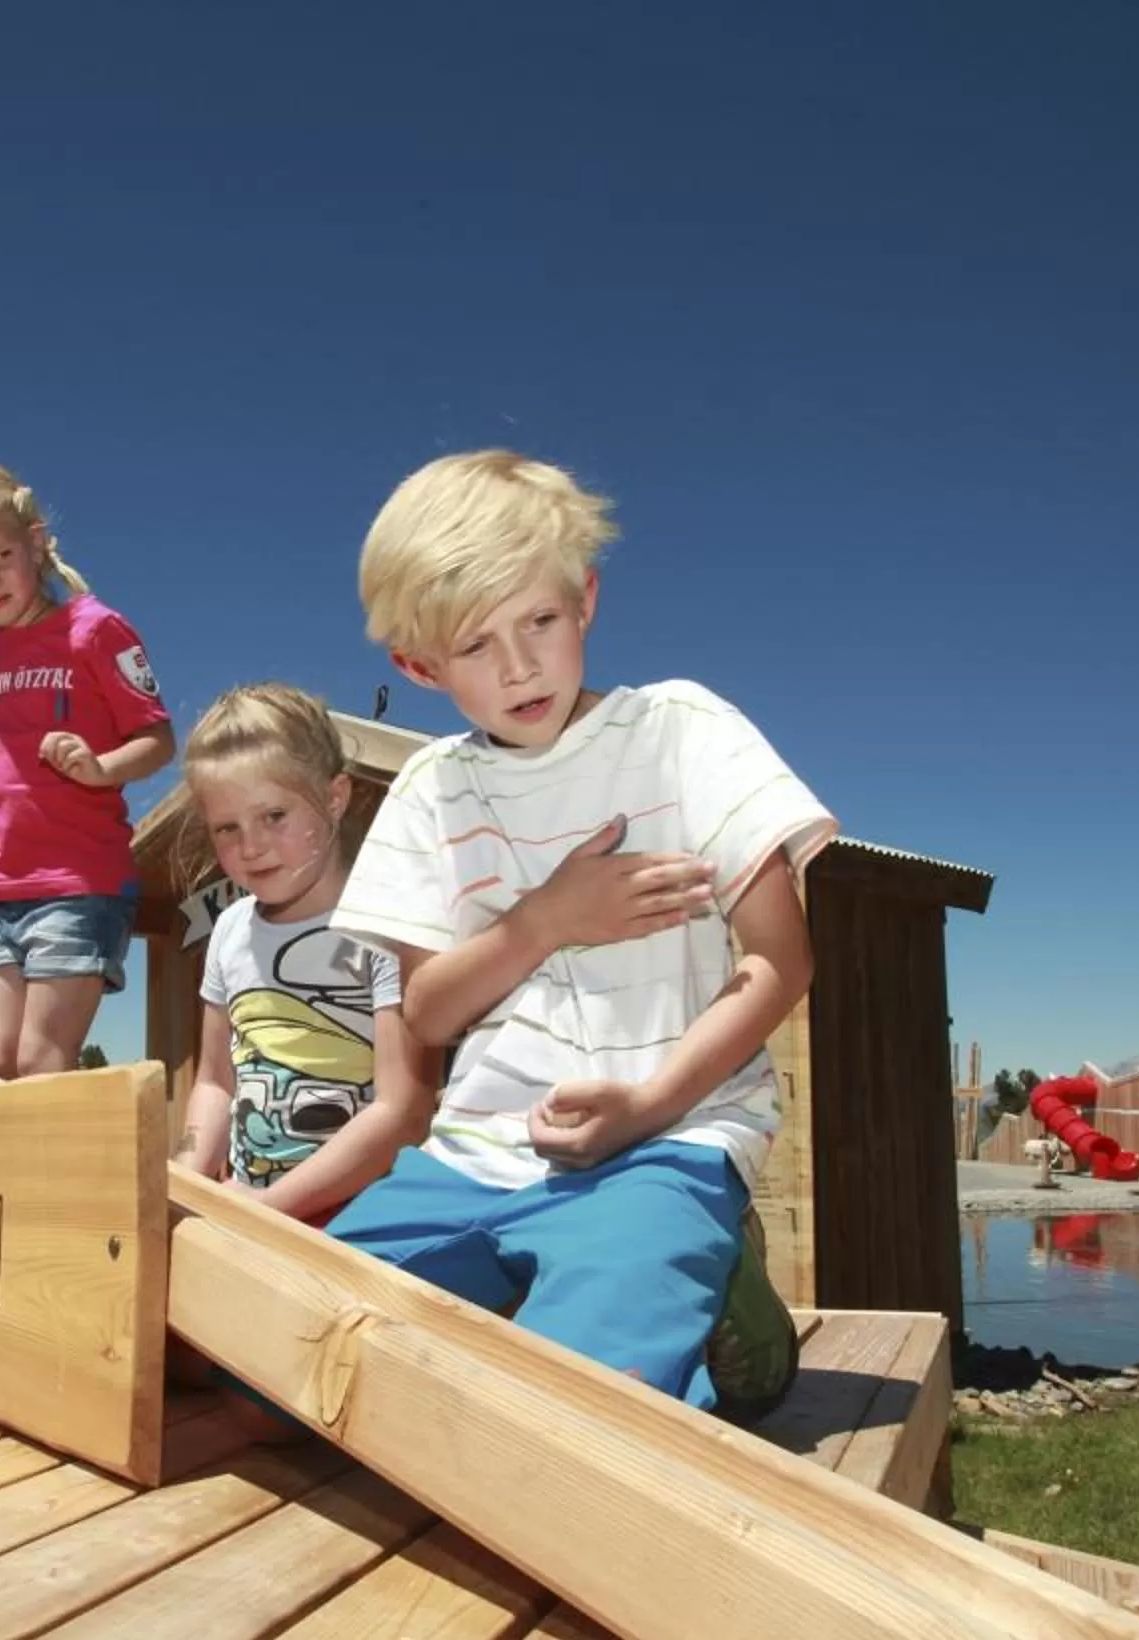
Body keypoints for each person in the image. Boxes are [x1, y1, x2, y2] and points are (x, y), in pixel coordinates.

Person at [321, 449, 834, 1415]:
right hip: (473, 1159)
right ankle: (577, 1276)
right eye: (475, 645)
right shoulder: (433, 790)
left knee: (580, 1402)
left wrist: (646, 1108)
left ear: (587, 599)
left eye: (541, 622)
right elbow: (427, 1017)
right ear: (417, 666)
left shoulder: (681, 732)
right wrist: (545, 920)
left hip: (669, 1139)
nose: (520, 666)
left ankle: (713, 1283)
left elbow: (780, 957)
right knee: (294, 1344)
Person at [0, 457, 175, 1078]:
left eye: (0, 556)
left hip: (78, 884)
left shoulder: (94, 628)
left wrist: (101, 767)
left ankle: (69, 1174)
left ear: (36, 541)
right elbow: (13, 781)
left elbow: (158, 739)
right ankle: (3, 1179)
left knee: (41, 1062)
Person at [171, 683, 436, 1224]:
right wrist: (186, 1181)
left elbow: (402, 1110)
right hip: (248, 1209)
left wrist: (268, 1209)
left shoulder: (389, 924)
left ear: (334, 797)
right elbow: (215, 1081)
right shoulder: (227, 931)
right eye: (227, 827)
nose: (251, 846)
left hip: (363, 1219)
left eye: (274, 816)